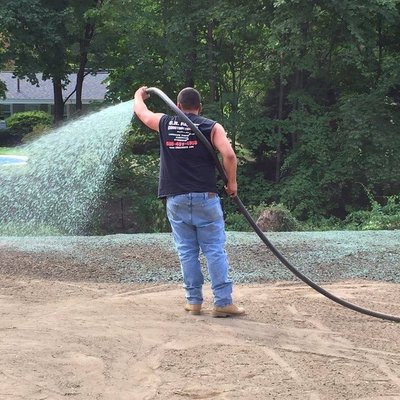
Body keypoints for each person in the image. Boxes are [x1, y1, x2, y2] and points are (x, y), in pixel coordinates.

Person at [133, 86, 245, 317]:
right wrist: (232, 183)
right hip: (206, 197)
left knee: (187, 251)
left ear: (178, 105)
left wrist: (138, 95)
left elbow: (142, 113)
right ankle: (223, 302)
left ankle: (194, 302)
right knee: (214, 250)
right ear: (199, 107)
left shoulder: (165, 123)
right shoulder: (211, 126)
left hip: (176, 198)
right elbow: (230, 155)